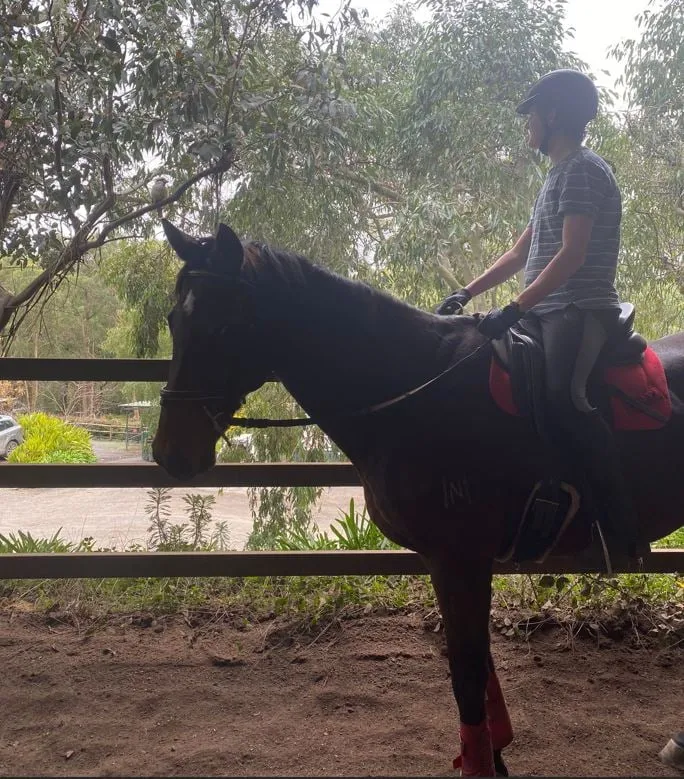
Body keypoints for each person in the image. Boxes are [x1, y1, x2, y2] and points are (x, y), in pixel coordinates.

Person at [437, 69, 640, 560]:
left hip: (579, 309)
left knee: (565, 398)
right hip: (543, 309)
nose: (526, 123)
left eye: (531, 113)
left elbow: (571, 255)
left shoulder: (584, 171)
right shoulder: (555, 175)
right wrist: (466, 292)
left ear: (553, 115)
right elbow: (517, 254)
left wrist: (514, 307)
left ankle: (622, 529)